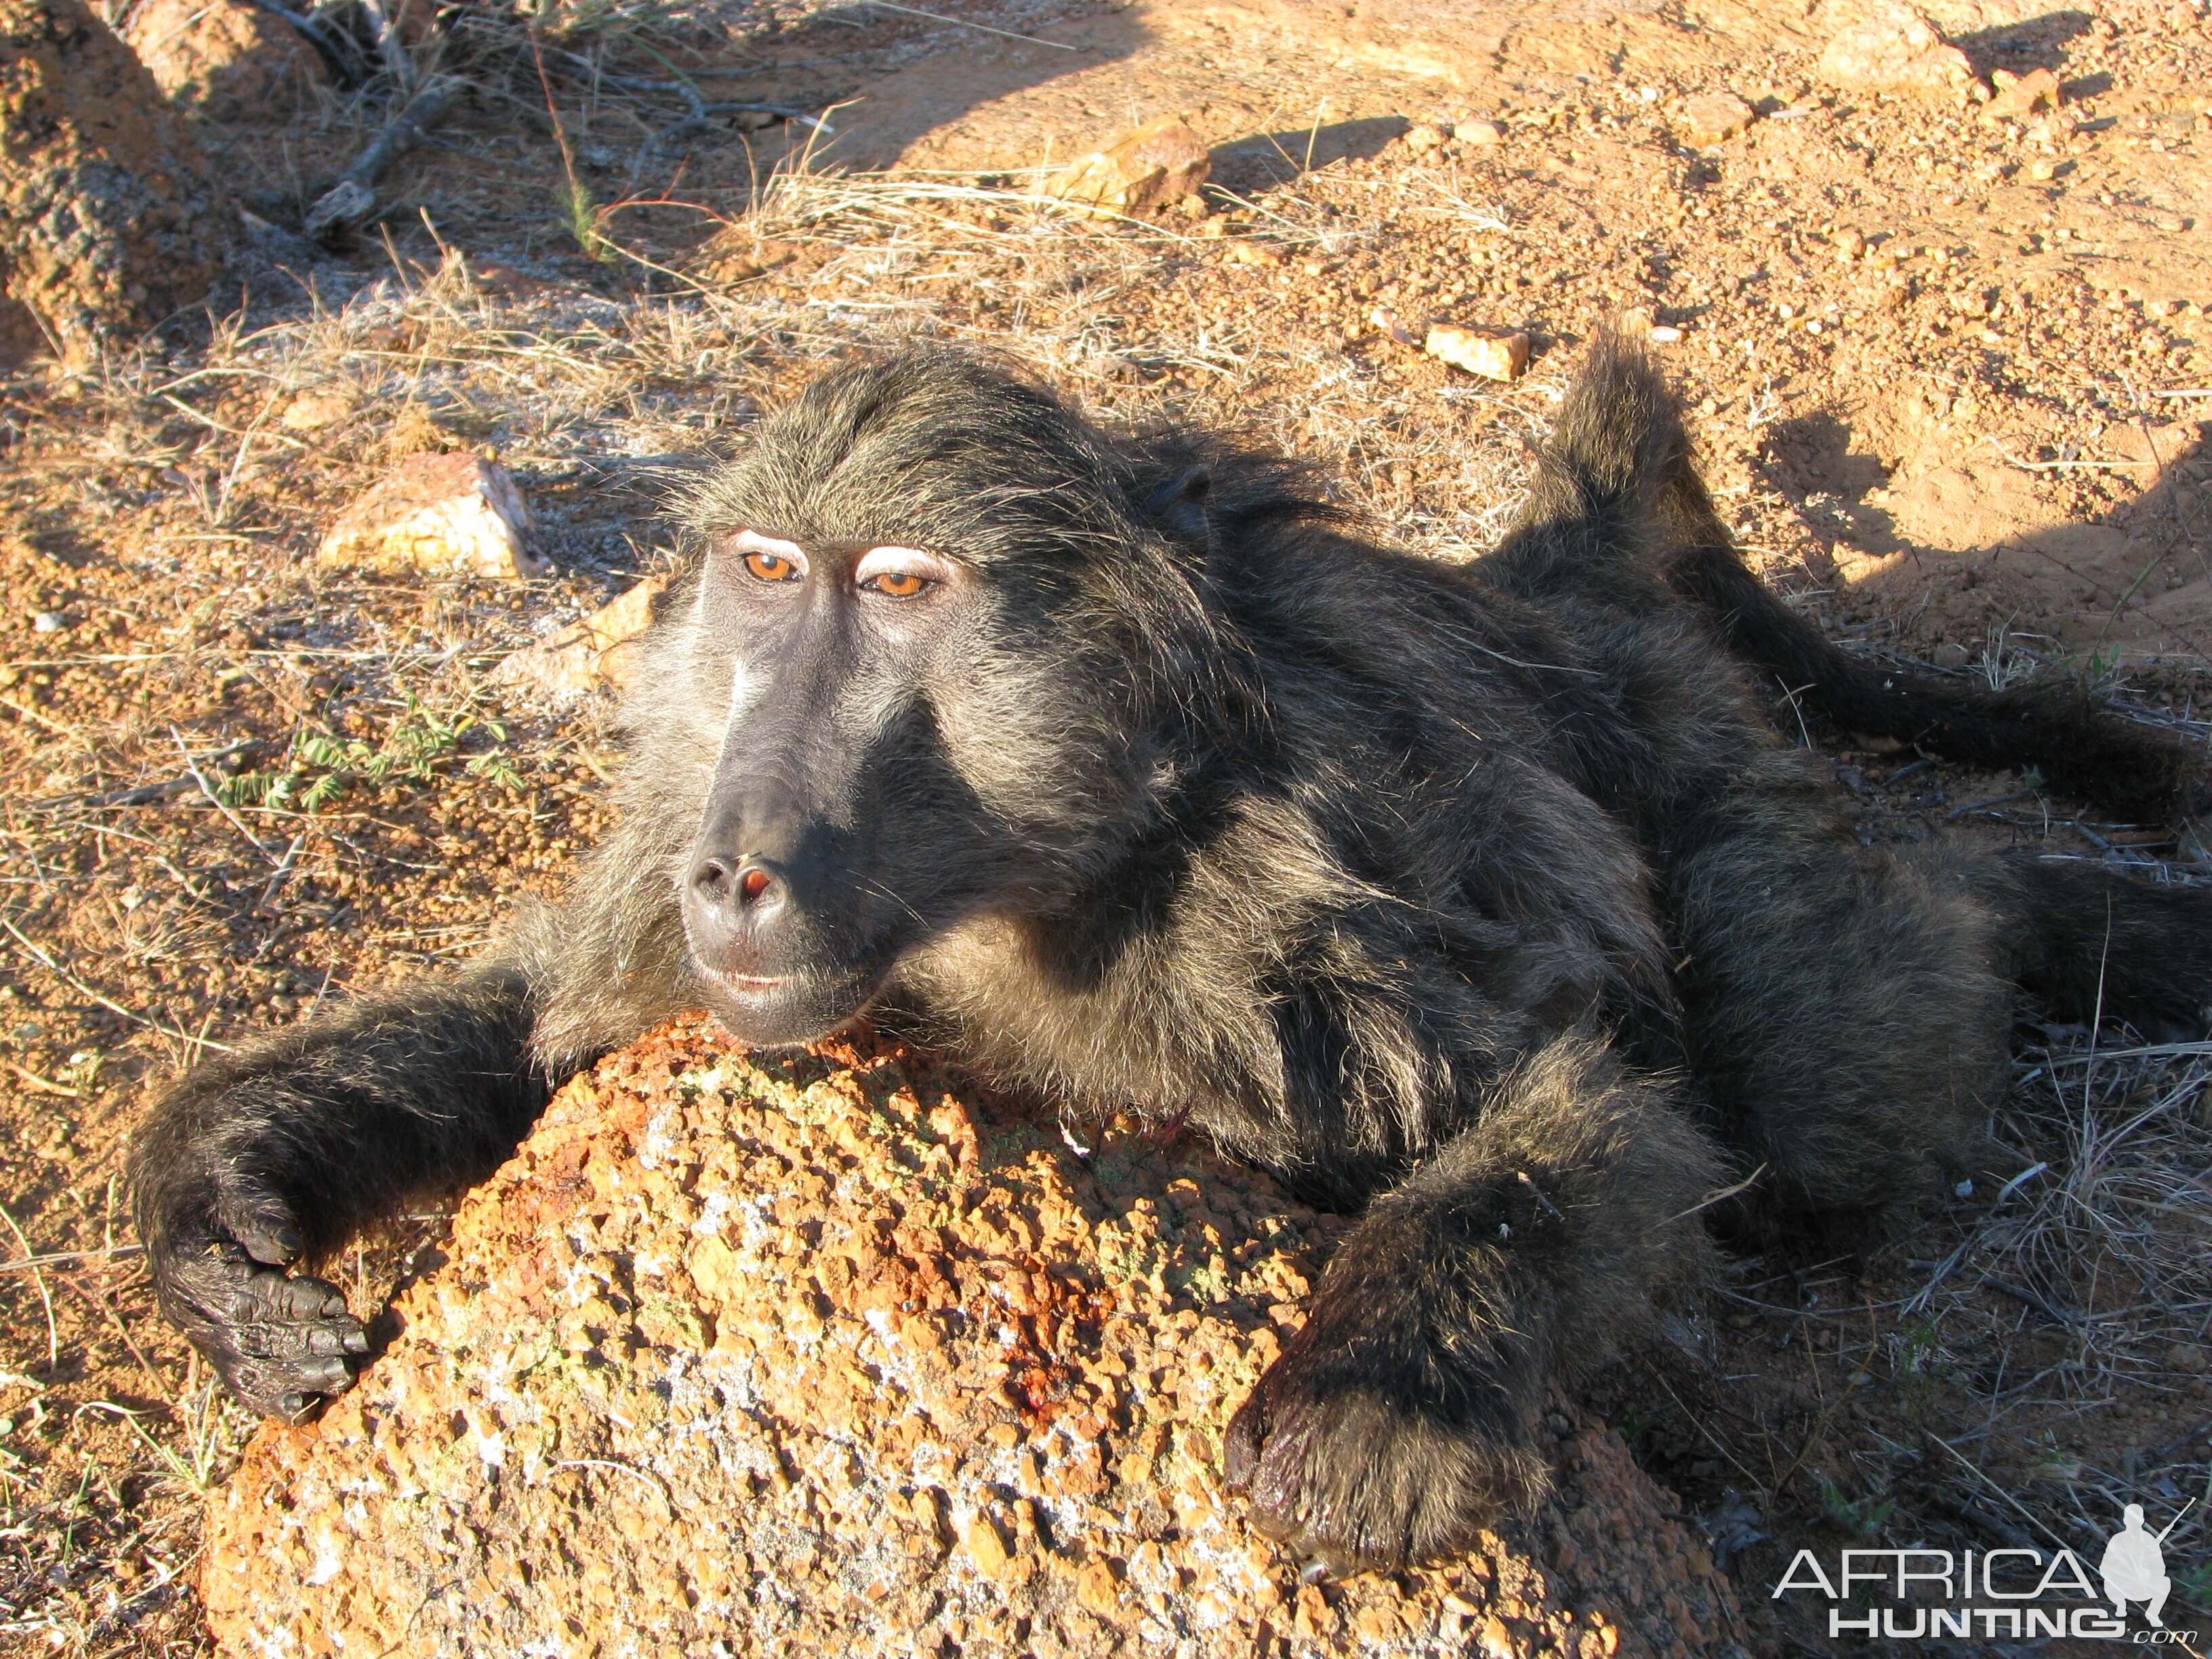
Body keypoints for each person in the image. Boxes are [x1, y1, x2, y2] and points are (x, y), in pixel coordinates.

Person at [2102, 1504, 2171, 1626]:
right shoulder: (2118, 1540)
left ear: (2142, 1520)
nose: (2133, 1522)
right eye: (2130, 1519)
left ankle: (2153, 1613)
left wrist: (2148, 1572)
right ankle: (2120, 1606)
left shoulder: (2149, 1540)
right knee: (2108, 1583)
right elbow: (2104, 1568)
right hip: (2122, 1586)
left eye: (2136, 1519)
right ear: (2125, 1521)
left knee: (2165, 1583)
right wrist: (2122, 1573)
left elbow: (2161, 1567)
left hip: (2144, 1585)